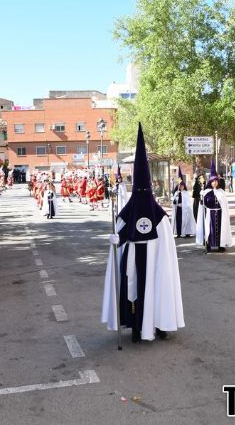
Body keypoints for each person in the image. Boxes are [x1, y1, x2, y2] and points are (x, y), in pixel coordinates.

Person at [102, 123, 185, 342]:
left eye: (144, 191)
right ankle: (136, 327)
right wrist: (114, 240)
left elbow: (166, 250)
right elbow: (118, 238)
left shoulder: (160, 217)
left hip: (156, 265)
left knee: (157, 289)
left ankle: (159, 325)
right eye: (138, 191)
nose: (141, 195)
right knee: (133, 291)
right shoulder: (126, 213)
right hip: (133, 263)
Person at [197, 160, 233, 252]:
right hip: (210, 214)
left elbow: (224, 205)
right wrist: (202, 200)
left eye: (216, 181)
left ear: (218, 182)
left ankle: (220, 245)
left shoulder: (221, 192)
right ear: (210, 182)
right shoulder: (206, 192)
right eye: (213, 181)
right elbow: (203, 204)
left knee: (220, 229)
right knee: (210, 229)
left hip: (220, 214)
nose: (215, 183)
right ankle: (208, 245)